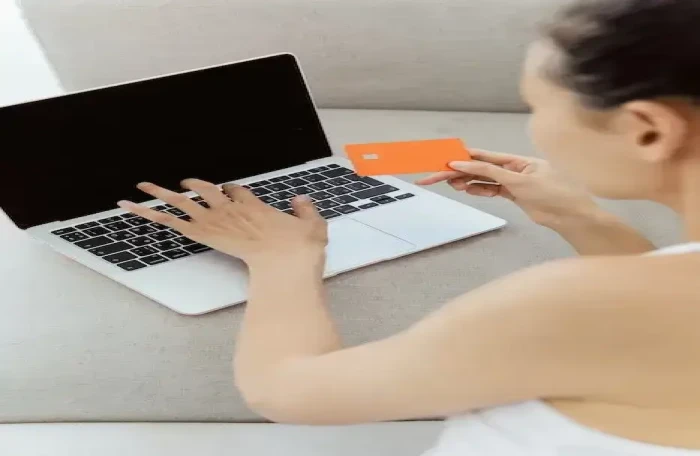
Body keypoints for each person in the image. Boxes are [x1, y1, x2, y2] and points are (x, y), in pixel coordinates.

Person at [118, 0, 700, 453]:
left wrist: (280, 259)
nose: (537, 129)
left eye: (537, 107)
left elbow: (290, 391)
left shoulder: (559, 309)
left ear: (647, 130)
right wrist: (581, 217)